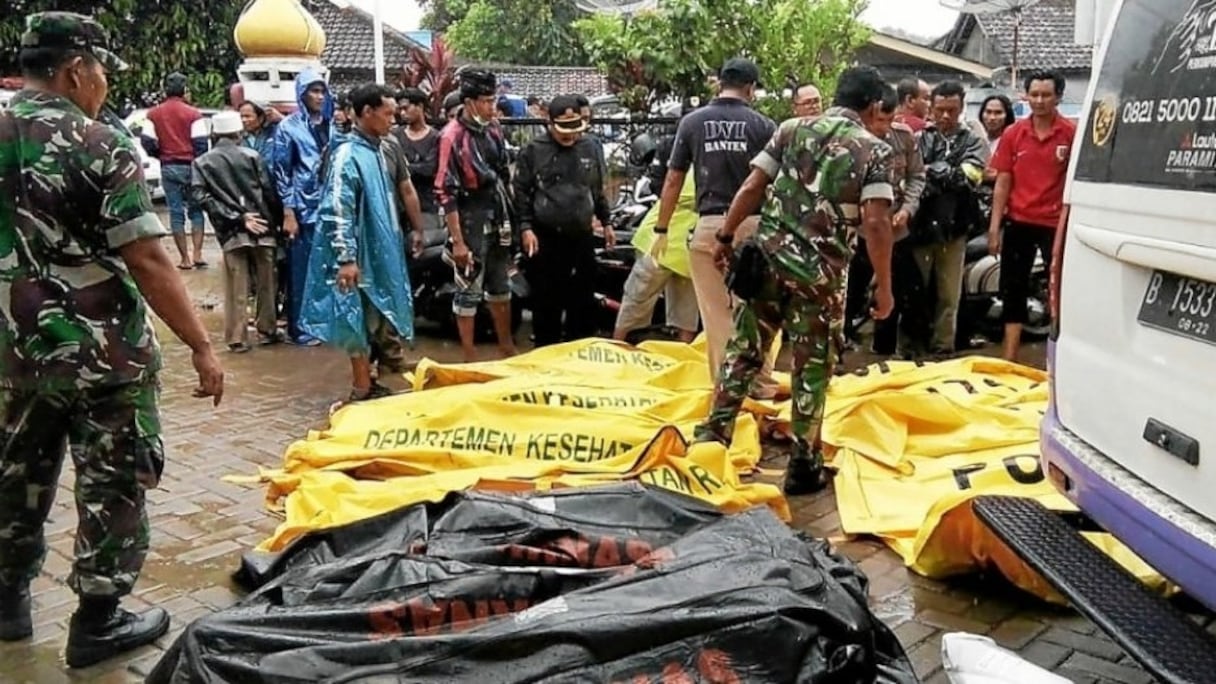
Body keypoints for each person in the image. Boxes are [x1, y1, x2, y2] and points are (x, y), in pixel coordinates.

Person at [0, 11, 223, 668]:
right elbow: (149, 260)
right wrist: (201, 347)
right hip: (104, 358)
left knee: (15, 475)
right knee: (114, 483)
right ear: (75, 70)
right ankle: (98, 620)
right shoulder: (101, 142)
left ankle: (8, 603)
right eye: (99, 72)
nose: (101, 85)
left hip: (14, 353)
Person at [693, 65, 896, 495]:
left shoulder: (790, 129)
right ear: (875, 105)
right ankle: (803, 464)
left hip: (766, 263)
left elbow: (752, 186)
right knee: (811, 368)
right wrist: (884, 286)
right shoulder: (874, 150)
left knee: (745, 352)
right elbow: (877, 223)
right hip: (820, 280)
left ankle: (711, 438)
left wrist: (725, 237)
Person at [654, 57, 780, 396]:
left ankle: (726, 392)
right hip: (754, 227)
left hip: (710, 226)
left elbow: (673, 179)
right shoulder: (764, 125)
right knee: (756, 311)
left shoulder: (692, 123)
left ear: (718, 83)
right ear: (751, 88)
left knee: (717, 316)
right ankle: (763, 387)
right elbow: (774, 183)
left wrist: (661, 229)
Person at [302, 84, 418, 404]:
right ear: (367, 112)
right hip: (360, 255)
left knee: (374, 319)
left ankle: (369, 382)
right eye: (388, 113)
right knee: (358, 321)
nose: (393, 120)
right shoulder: (347, 154)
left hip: (378, 251)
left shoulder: (376, 150)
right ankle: (361, 387)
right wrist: (346, 257)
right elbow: (338, 209)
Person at [513, 94, 614, 346]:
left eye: (575, 128)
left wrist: (607, 221)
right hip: (545, 235)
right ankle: (546, 351)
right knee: (547, 301)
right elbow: (522, 192)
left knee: (582, 299)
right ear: (550, 123)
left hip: (581, 234)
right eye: (564, 129)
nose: (570, 135)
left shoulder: (590, 147)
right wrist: (525, 228)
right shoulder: (534, 151)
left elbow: (597, 188)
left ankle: (579, 350)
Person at [988, 70, 1075, 362]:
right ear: (1026, 96)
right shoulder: (1014, 134)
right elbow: (1003, 181)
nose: (1039, 100)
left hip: (1055, 227)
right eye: (1034, 94)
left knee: (1059, 291)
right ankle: (1009, 357)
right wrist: (994, 226)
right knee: (1013, 290)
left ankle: (1057, 358)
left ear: (1059, 97)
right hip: (1018, 223)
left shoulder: (1071, 134)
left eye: (1046, 95)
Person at [435, 68, 519, 362]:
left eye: (493, 100)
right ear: (469, 102)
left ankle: (506, 347)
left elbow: (504, 174)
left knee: (501, 285)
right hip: (468, 218)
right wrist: (458, 241)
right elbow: (445, 192)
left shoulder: (494, 128)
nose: (491, 106)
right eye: (485, 101)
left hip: (498, 214)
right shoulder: (450, 136)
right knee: (468, 288)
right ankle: (469, 356)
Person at [190, 111, 282, 352]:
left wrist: (236, 218)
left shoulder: (202, 163)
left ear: (214, 135)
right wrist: (276, 223)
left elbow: (200, 196)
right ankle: (268, 328)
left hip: (231, 231)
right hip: (262, 226)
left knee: (236, 286)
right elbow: (269, 192)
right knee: (267, 283)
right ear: (238, 134)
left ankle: (237, 337)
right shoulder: (253, 156)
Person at [845, 84, 926, 357]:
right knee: (849, 293)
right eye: (879, 120)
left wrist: (908, 209)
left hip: (895, 231)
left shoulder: (904, 138)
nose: (883, 127)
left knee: (896, 292)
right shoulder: (852, 141)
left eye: (890, 120)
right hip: (859, 232)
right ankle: (840, 346)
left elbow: (917, 176)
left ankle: (885, 351)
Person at [908, 80, 988, 356]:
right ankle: (912, 348)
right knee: (914, 290)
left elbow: (971, 176)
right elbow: (913, 176)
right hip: (919, 226)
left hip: (954, 228)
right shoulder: (919, 138)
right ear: (930, 107)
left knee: (948, 294)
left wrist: (939, 173)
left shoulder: (974, 140)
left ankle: (943, 348)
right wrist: (940, 173)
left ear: (962, 108)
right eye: (940, 109)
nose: (945, 116)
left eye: (951, 110)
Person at [272, 69, 335, 347]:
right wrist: (289, 213)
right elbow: (282, 172)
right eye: (314, 91)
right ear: (302, 93)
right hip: (304, 209)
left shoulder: (333, 125)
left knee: (330, 270)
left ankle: (328, 324)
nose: (319, 97)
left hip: (332, 208)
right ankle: (301, 328)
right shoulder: (289, 127)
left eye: (322, 91)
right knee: (303, 272)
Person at [145, 72, 207, 269]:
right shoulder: (193, 114)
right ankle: (197, 253)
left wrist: (161, 154)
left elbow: (147, 141)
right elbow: (201, 144)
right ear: (184, 90)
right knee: (196, 210)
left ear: (165, 90)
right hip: (191, 166)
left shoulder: (153, 114)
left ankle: (184, 258)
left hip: (168, 165)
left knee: (175, 212)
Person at [393, 87, 442, 240]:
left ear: (420, 106)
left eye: (406, 108)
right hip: (398, 207)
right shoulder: (395, 136)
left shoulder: (436, 137)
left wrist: (404, 167)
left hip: (426, 205)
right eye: (400, 109)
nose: (402, 113)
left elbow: (430, 170)